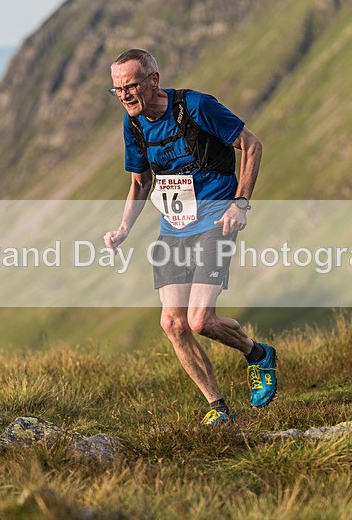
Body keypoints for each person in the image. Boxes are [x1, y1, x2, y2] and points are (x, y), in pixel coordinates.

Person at [103, 48, 277, 425]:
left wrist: (240, 204)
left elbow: (252, 144)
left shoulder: (196, 107)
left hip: (216, 219)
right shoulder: (132, 125)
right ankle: (219, 408)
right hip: (173, 228)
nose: (124, 96)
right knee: (172, 324)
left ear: (153, 80)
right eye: (117, 90)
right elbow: (140, 181)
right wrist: (123, 228)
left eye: (130, 86)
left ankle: (258, 355)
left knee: (200, 320)